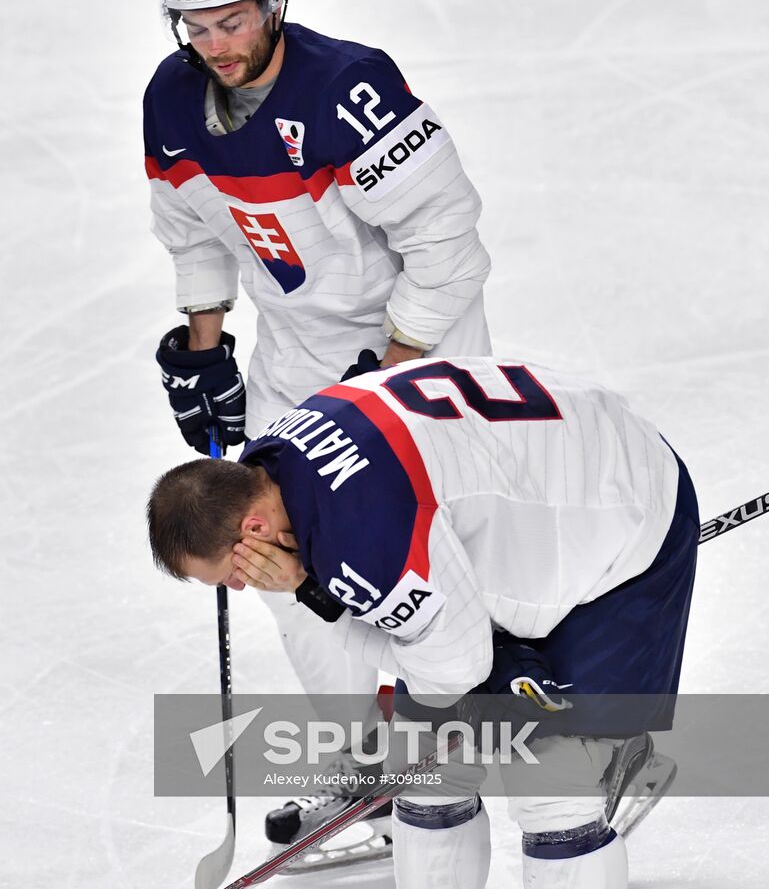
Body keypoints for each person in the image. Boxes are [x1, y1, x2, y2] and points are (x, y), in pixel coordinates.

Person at [144, 0, 492, 855]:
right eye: (195, 26)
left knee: (406, 552)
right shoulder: (172, 100)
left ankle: (442, 745)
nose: (215, 45)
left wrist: (389, 374)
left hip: (415, 349)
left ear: (272, 1)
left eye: (231, 21)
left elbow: (448, 247)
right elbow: (192, 233)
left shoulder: (350, 88)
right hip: (296, 351)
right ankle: (366, 766)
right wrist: (205, 347)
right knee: (267, 560)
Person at [148, 356, 699, 889]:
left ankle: (606, 752)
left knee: (552, 782)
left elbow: (455, 674)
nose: (239, 586)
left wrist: (312, 594)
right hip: (542, 480)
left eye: (229, 573)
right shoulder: (270, 463)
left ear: (254, 528)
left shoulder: (363, 534)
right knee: (422, 770)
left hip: (625, 516)